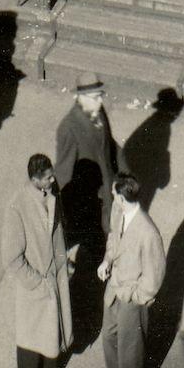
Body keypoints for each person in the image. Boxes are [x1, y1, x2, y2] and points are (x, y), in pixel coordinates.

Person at [1, 151, 70, 368]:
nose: (52, 182)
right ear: (34, 179)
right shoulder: (18, 206)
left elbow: (57, 229)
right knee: (31, 335)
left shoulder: (50, 194)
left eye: (52, 177)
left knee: (52, 328)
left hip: (53, 272)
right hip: (35, 282)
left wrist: (63, 262)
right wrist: (35, 283)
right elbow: (11, 257)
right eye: (48, 179)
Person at [98, 171, 165, 368]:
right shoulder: (120, 212)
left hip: (132, 297)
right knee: (108, 337)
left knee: (130, 349)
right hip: (114, 288)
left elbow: (155, 275)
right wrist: (107, 261)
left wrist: (138, 297)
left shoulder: (148, 232)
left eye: (114, 195)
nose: (112, 198)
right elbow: (114, 238)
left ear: (123, 199)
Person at [54, 73, 118, 265]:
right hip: (88, 197)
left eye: (101, 96)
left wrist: (124, 170)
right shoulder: (68, 128)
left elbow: (109, 144)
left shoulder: (98, 112)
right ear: (80, 98)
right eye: (95, 97)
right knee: (89, 233)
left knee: (102, 234)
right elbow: (64, 171)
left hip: (105, 188)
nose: (100, 101)